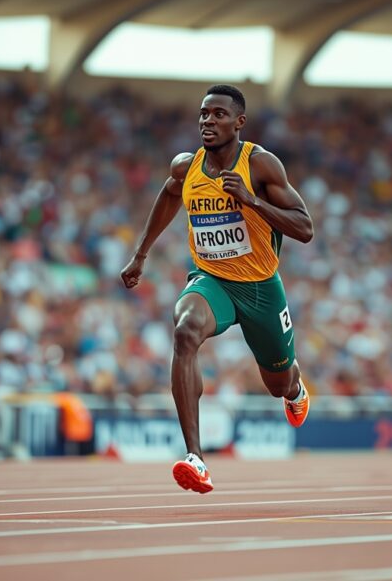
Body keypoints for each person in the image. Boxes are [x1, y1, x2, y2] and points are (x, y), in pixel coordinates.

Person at [121, 84, 314, 494]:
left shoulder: (260, 166)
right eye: (204, 114)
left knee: (277, 383)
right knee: (185, 330)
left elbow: (305, 228)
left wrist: (251, 201)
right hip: (212, 280)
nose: (208, 121)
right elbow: (169, 194)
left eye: (219, 115)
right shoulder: (186, 167)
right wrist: (141, 254)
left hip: (261, 288)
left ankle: (295, 387)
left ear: (239, 122)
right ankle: (196, 457)